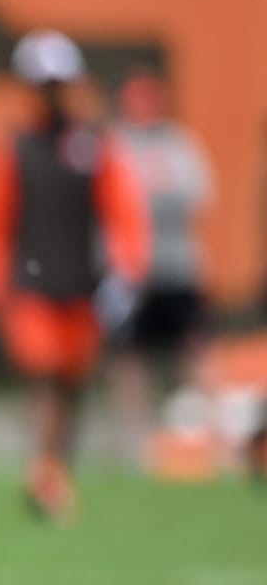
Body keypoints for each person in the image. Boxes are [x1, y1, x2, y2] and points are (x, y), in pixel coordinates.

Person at [0, 30, 149, 523]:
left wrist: (126, 272)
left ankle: (56, 471)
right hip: (33, 282)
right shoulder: (15, 147)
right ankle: (43, 471)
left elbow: (122, 213)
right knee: (43, 377)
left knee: (72, 382)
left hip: (82, 281)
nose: (52, 93)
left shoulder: (92, 145)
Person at [108, 68, 214, 468]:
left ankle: (209, 435)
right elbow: (112, 205)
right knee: (129, 354)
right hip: (129, 273)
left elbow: (198, 194)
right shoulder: (114, 144)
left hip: (177, 267)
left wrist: (143, 202)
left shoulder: (179, 144)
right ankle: (136, 444)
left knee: (195, 349)